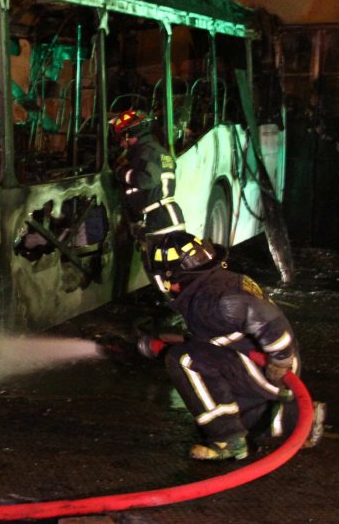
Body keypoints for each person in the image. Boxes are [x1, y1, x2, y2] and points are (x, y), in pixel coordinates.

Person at [138, 231, 301, 461]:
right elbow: (213, 337)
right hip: (259, 363)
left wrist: (280, 359)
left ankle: (227, 439)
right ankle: (295, 420)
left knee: (185, 360)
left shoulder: (217, 299)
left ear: (171, 278)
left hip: (272, 371)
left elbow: (270, 322)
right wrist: (160, 343)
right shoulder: (214, 283)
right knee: (227, 406)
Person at [110, 108, 185, 241]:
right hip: (167, 218)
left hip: (160, 223)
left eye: (121, 138)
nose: (121, 144)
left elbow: (148, 179)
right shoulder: (156, 151)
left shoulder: (145, 152)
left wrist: (121, 172)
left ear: (129, 135)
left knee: (162, 255)